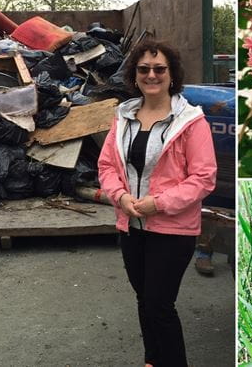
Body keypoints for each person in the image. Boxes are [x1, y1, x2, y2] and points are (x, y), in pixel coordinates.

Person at [98, 40, 217, 367]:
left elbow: (204, 177)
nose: (152, 75)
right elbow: (107, 166)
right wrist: (120, 197)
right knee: (144, 300)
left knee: (160, 304)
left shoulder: (191, 122)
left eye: (159, 69)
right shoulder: (123, 118)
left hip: (172, 230)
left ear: (172, 74)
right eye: (144, 69)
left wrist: (159, 203)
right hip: (131, 227)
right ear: (135, 75)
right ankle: (152, 361)